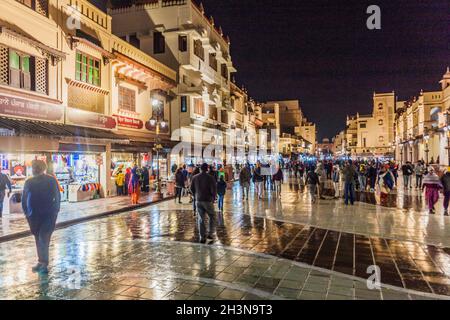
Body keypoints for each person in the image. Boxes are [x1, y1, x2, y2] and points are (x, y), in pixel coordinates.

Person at [22, 160, 61, 274]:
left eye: (36, 167)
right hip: (33, 216)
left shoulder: (50, 180)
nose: (34, 169)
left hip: (48, 215)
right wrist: (27, 213)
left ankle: (44, 263)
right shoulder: (29, 182)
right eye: (34, 167)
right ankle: (41, 261)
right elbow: (24, 199)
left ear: (41, 168)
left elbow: (57, 196)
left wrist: (55, 211)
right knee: (38, 238)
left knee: (43, 238)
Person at [190, 163, 217, 243]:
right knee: (212, 216)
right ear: (207, 169)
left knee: (201, 219)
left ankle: (202, 237)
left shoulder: (195, 177)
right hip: (208, 200)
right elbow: (213, 190)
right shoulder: (211, 178)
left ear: (200, 169)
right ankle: (210, 233)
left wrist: (196, 195)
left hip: (198, 200)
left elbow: (191, 189)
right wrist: (213, 197)